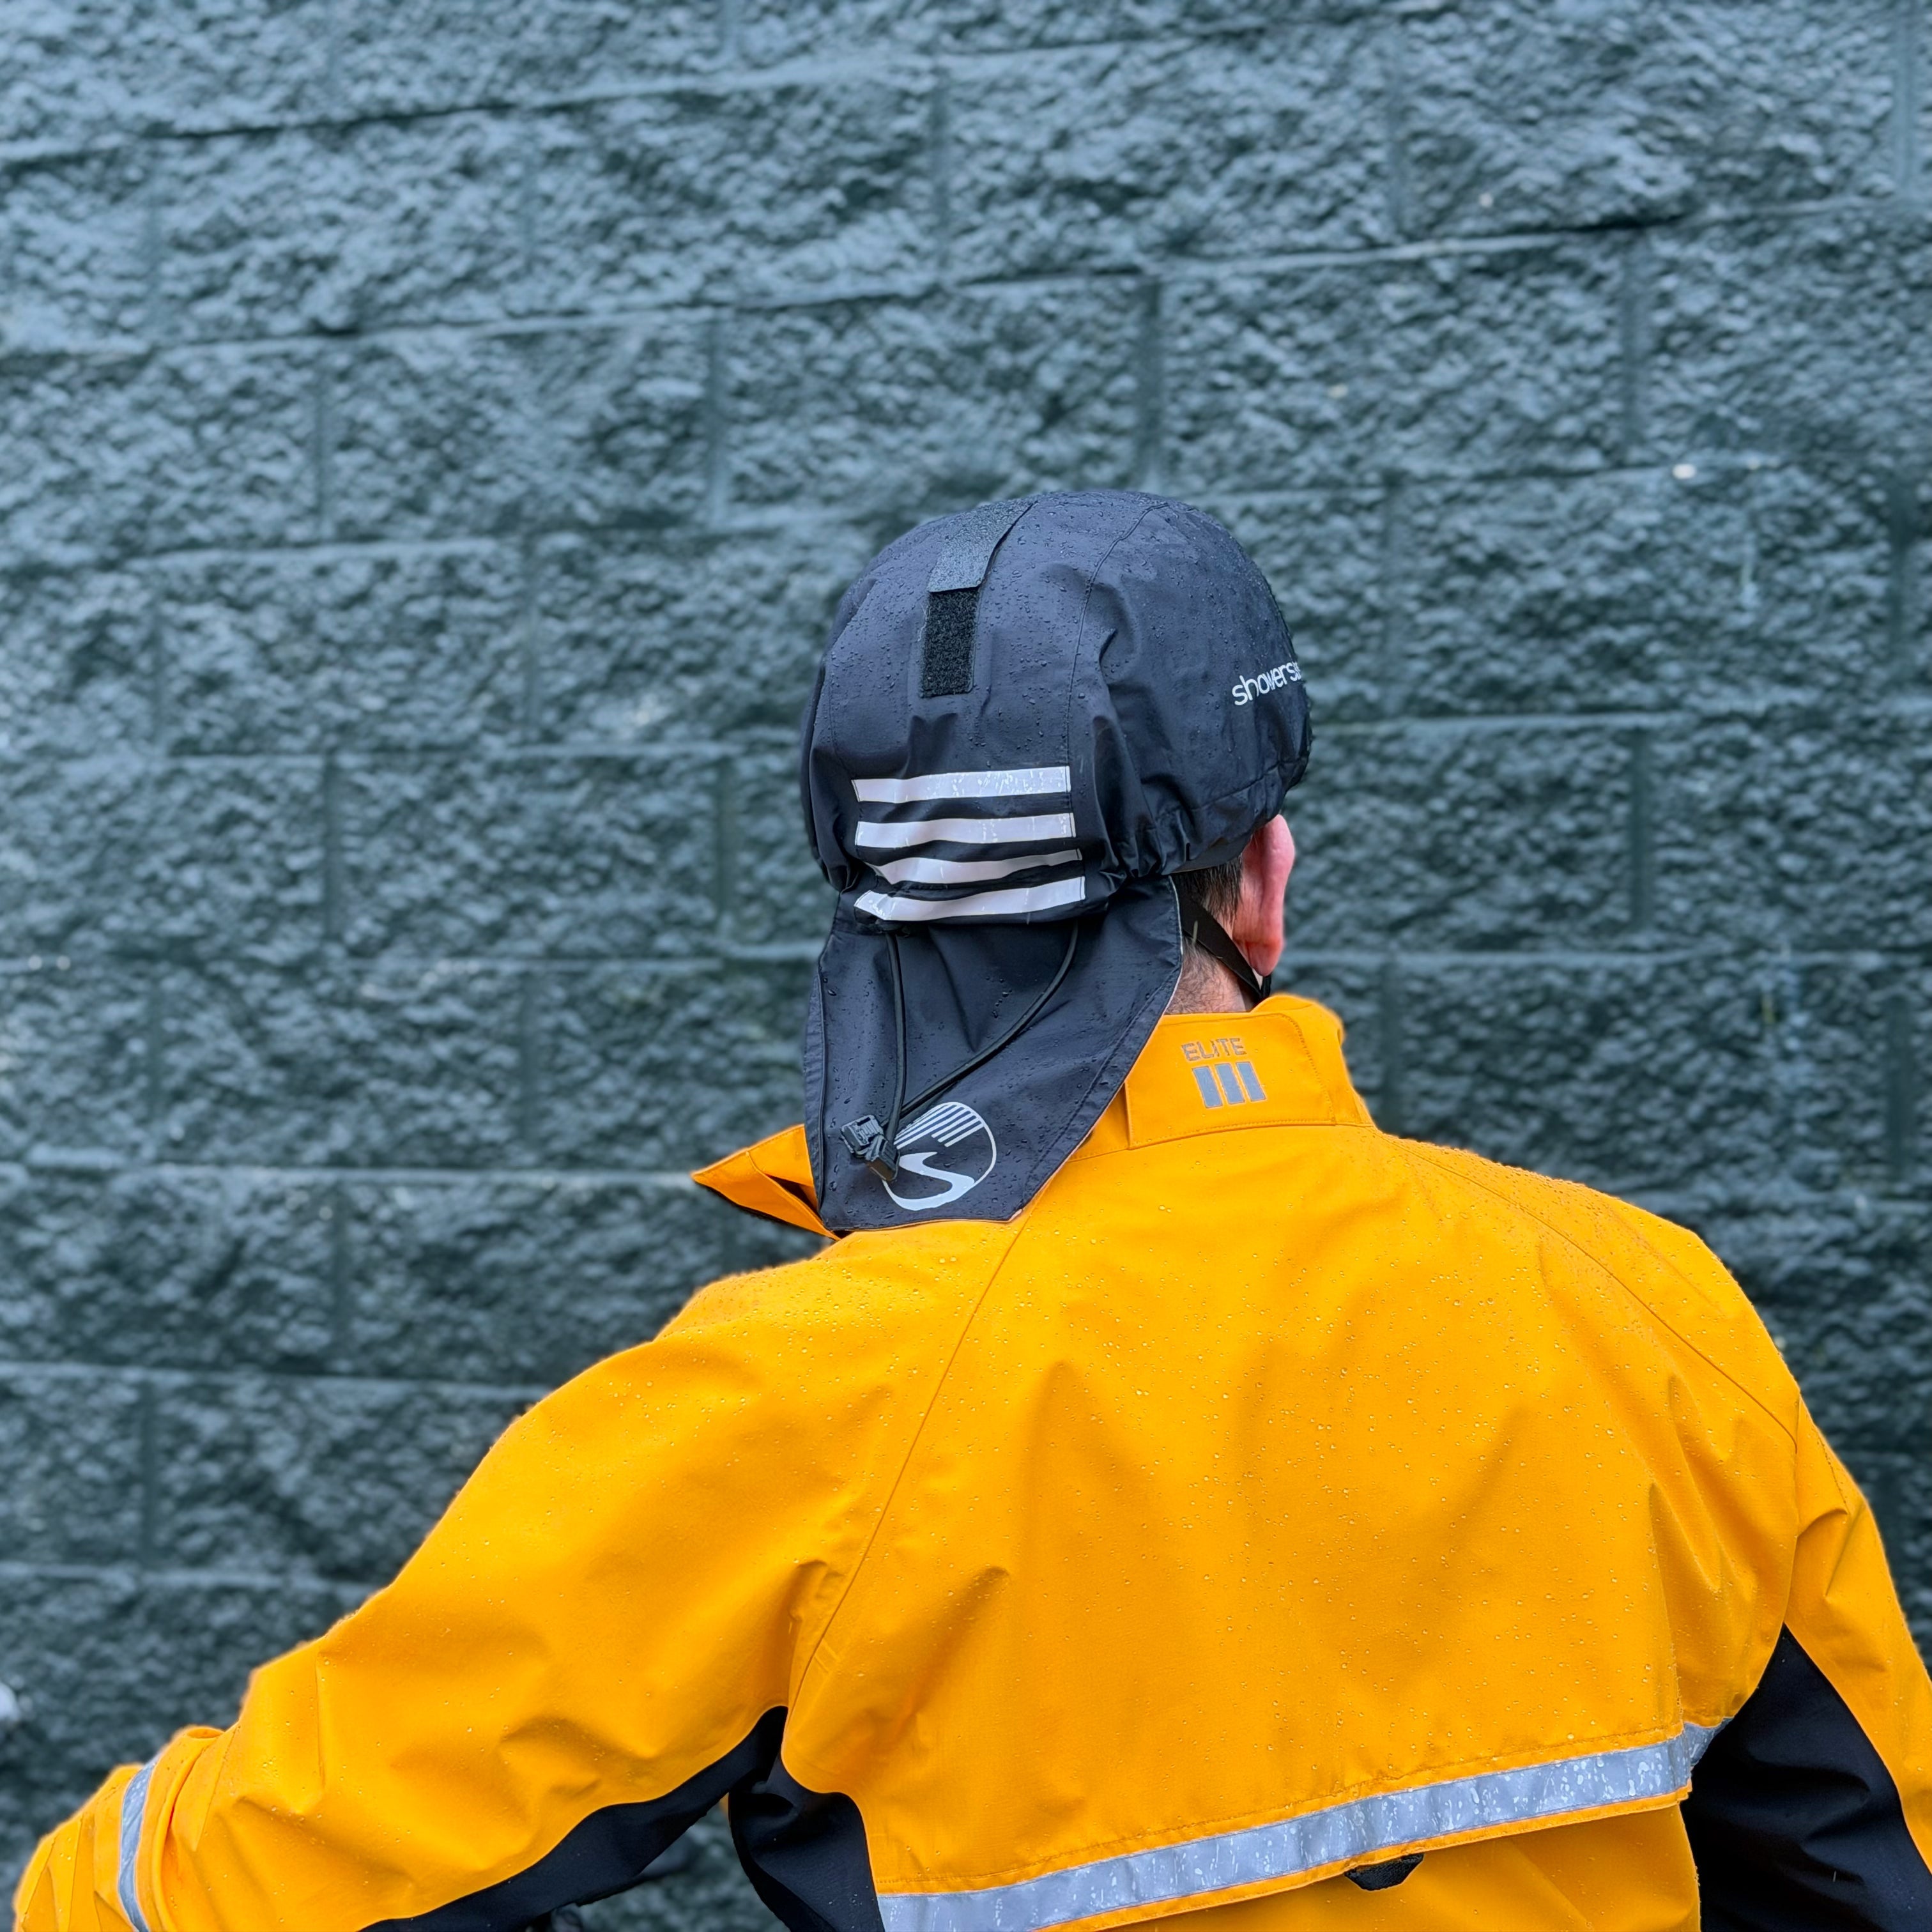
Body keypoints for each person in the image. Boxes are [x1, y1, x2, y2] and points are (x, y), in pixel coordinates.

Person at [17, 492, 1932, 1932]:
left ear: (880, 905)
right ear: (1265, 884)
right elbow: (1868, 1859)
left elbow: (262, 1874)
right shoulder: (1646, 1303)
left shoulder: (807, 1400)